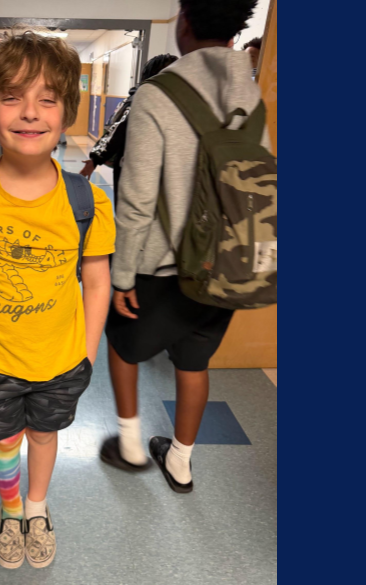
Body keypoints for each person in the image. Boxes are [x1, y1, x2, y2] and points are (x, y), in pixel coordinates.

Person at [0, 30, 115, 569]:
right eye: (11, 96)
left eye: (47, 99)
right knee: (3, 440)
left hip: (60, 360)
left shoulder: (87, 201)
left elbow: (97, 281)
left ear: (65, 114)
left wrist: (87, 353)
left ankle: (37, 506)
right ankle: (10, 511)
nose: (29, 112)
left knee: (44, 435)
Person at [101, 0, 271, 494]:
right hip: (228, 264)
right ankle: (180, 462)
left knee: (123, 346)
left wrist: (122, 275)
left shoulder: (158, 95)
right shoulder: (252, 97)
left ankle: (131, 446)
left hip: (161, 268)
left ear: (186, 22)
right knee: (195, 363)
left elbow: (135, 200)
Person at [80, 53, 179, 203]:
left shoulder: (175, 102)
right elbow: (117, 131)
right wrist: (96, 158)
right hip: (134, 171)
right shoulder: (140, 100)